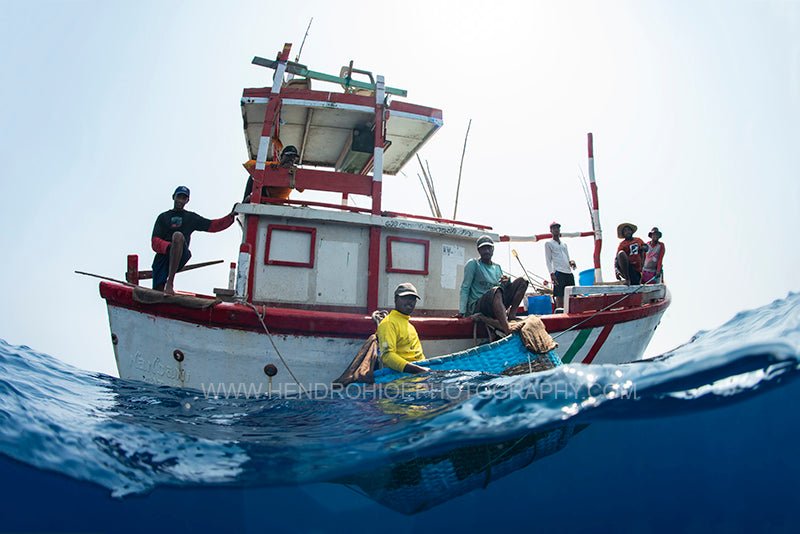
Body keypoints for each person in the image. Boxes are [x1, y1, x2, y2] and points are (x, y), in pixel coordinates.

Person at [151, 186, 237, 295]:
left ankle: (170, 283)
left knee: (178, 236)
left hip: (181, 254)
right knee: (157, 293)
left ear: (187, 200)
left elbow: (213, 226)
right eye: (179, 197)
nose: (181, 200)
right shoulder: (163, 217)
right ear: (173, 197)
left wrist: (231, 216)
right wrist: (169, 247)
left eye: (184, 198)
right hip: (163, 255)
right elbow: (154, 241)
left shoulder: (190, 217)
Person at [458, 235, 529, 335]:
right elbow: (465, 287)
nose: (486, 251)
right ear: (478, 250)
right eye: (483, 248)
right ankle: (507, 329)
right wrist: (462, 312)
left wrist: (507, 282)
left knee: (522, 281)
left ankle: (512, 315)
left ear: (493, 249)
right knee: (496, 291)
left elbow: (501, 288)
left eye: (489, 248)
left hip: (494, 303)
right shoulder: (473, 264)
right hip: (478, 305)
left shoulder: (497, 267)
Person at [376, 283, 430, 374]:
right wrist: (419, 370)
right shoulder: (388, 323)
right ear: (396, 299)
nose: (409, 301)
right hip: (401, 377)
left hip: (420, 374)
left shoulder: (411, 327)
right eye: (405, 298)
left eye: (413, 299)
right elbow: (387, 356)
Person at [544, 221, 577, 310]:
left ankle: (572, 311)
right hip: (558, 271)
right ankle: (560, 312)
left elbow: (567, 257)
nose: (556, 230)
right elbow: (548, 260)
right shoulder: (548, 243)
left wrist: (572, 263)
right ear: (551, 230)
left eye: (557, 228)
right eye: (554, 228)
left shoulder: (564, 244)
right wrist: (552, 274)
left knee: (572, 295)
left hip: (568, 271)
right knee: (560, 295)